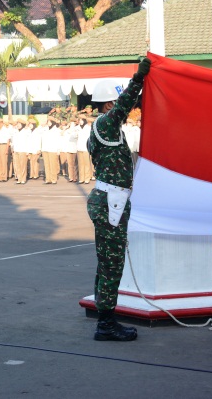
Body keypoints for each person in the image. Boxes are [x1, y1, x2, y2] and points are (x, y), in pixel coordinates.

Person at [87, 58, 149, 342]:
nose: (126, 109)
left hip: (113, 201)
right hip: (110, 202)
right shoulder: (106, 124)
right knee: (112, 265)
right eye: (119, 103)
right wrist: (138, 79)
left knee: (107, 262)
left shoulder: (109, 128)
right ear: (109, 104)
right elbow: (126, 104)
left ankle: (105, 317)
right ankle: (106, 324)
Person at [41, 119, 62, 184]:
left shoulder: (57, 130)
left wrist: (58, 149)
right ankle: (48, 179)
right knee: (46, 165)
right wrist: (43, 124)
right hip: (45, 149)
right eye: (48, 122)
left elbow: (59, 140)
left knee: (53, 165)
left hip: (53, 149)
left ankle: (53, 179)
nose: (48, 123)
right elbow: (38, 132)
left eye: (50, 122)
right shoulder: (45, 129)